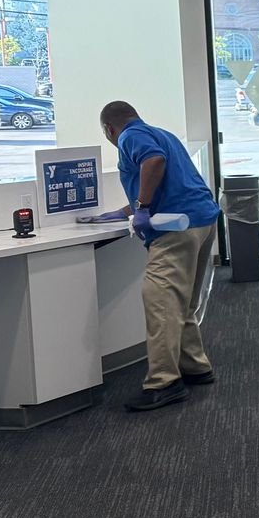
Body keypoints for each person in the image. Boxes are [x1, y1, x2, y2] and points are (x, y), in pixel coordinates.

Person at [97, 101, 222, 412]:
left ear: (109, 129)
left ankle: (163, 382)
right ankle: (195, 364)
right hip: (203, 220)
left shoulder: (129, 136)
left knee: (160, 303)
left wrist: (141, 208)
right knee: (183, 302)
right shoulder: (161, 133)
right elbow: (168, 179)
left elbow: (154, 161)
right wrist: (124, 211)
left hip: (175, 228)